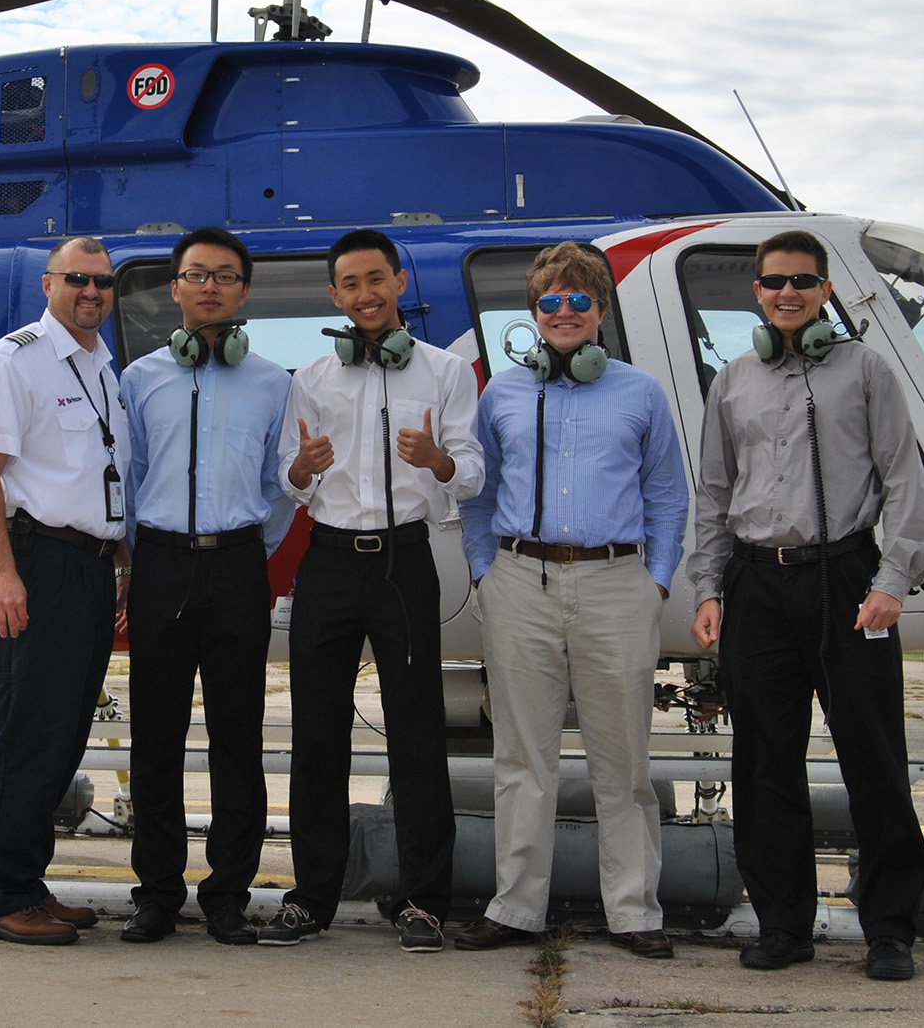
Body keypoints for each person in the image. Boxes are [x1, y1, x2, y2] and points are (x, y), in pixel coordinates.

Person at [685, 228, 924, 982]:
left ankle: (890, 928)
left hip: (846, 575)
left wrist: (893, 579)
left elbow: (904, 482)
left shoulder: (868, 371)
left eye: (802, 280)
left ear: (826, 291)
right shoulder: (732, 380)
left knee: (872, 754)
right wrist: (708, 585)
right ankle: (784, 923)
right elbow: (713, 494)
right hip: (757, 582)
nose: (787, 292)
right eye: (774, 282)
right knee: (764, 761)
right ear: (756, 293)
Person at [454, 242, 689, 957]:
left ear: (600, 312)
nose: (564, 312)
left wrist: (655, 582)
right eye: (550, 301)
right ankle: (516, 906)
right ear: (533, 311)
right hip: (520, 580)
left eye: (578, 300)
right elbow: (479, 491)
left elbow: (667, 495)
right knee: (523, 756)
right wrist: (485, 573)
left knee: (625, 759)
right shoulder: (503, 392)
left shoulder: (641, 392)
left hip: (617, 582)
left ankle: (634, 909)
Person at [259, 228, 484, 953]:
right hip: (327, 562)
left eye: (376, 278)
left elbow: (474, 473)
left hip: (404, 560)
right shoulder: (313, 376)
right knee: (316, 734)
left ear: (397, 282)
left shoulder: (446, 372)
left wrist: (439, 460)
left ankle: (423, 899)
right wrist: (303, 471)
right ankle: (312, 896)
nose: (365, 293)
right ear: (335, 295)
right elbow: (289, 483)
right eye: (350, 283)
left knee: (417, 733)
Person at [118, 228, 295, 946]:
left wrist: (244, 549)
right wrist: (139, 561)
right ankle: (156, 893)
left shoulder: (275, 382)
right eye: (197, 274)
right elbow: (128, 480)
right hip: (159, 564)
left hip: (235, 567)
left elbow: (278, 490)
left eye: (225, 275)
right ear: (177, 288)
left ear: (244, 291)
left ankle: (227, 894)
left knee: (237, 738)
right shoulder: (140, 379)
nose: (212, 286)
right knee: (154, 738)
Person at [0, 237, 131, 945]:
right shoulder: (13, 359)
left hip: (88, 567)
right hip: (38, 564)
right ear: (48, 282)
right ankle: (1, 895)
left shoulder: (102, 365)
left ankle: (28, 881)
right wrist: (3, 572)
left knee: (61, 735)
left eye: (103, 282)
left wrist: (118, 556)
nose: (92, 292)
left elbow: (97, 474)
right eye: (78, 279)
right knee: (24, 732)